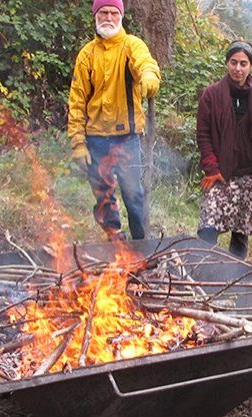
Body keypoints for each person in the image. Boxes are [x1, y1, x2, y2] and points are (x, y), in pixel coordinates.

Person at [68, 0, 160, 241]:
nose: (108, 17)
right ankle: (115, 240)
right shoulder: (87, 54)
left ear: (120, 16)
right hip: (96, 139)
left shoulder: (131, 45)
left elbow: (145, 62)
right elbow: (77, 101)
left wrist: (149, 76)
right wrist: (78, 143)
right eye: (103, 12)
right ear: (96, 16)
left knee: (134, 194)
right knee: (103, 194)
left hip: (127, 138)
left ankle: (142, 243)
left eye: (113, 12)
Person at [196, 41, 252, 259]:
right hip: (220, 174)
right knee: (207, 226)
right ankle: (201, 268)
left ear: (251, 66)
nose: (237, 68)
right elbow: (203, 135)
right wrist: (211, 168)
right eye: (233, 62)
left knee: (240, 232)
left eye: (243, 63)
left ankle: (234, 278)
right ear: (226, 63)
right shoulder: (211, 95)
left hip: (249, 175)